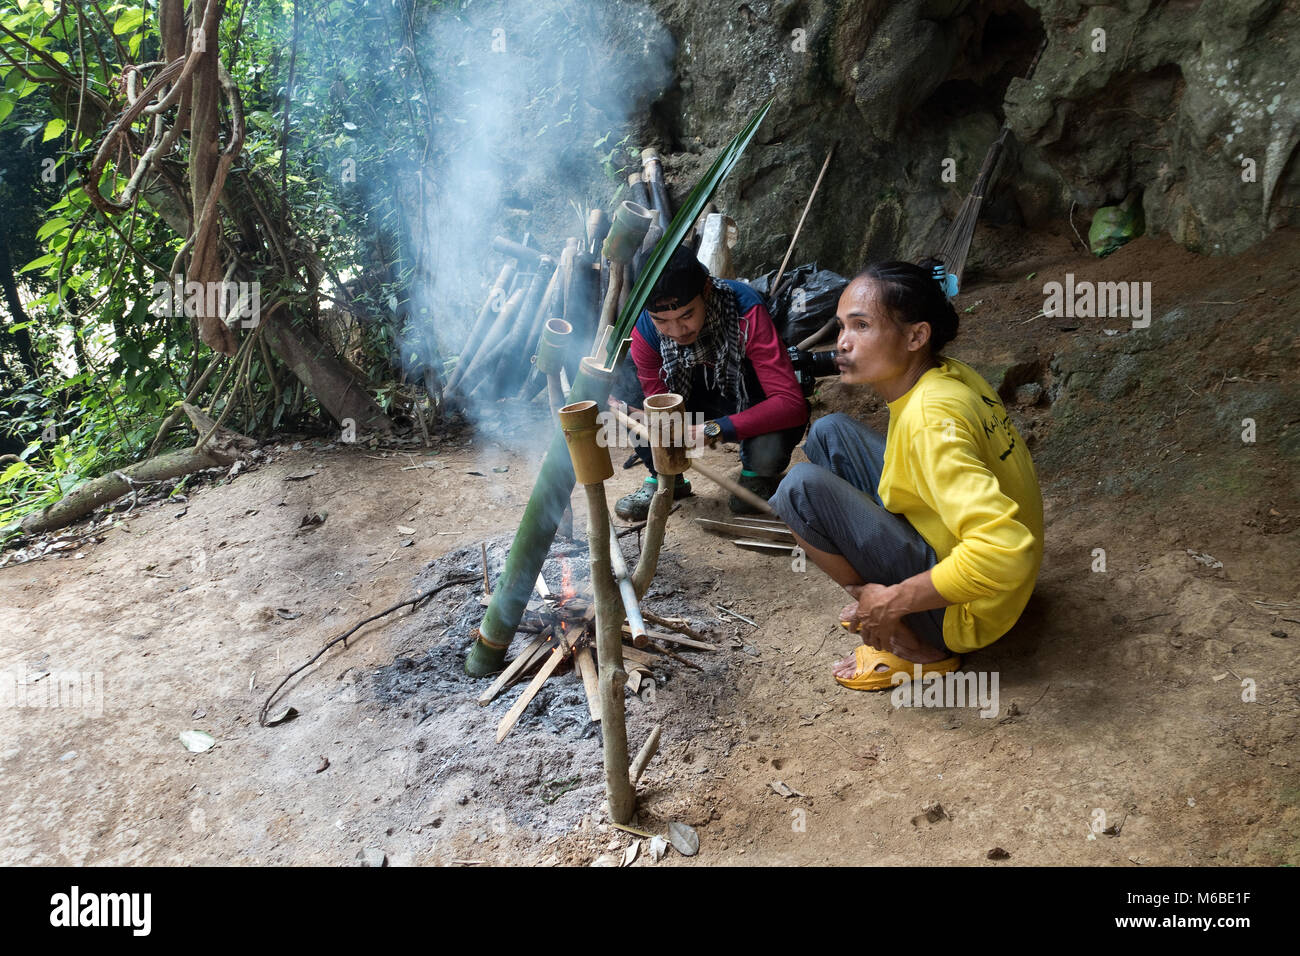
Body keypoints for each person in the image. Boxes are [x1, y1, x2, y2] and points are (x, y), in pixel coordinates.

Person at [769, 260, 1044, 690]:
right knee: (829, 432)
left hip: (974, 611)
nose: (842, 343)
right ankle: (884, 603)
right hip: (999, 585)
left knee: (798, 489)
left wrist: (891, 599)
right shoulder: (948, 375)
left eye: (861, 326)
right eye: (841, 326)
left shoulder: (929, 419)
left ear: (917, 335)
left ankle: (915, 641)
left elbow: (1005, 552)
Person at [612, 245, 809, 521]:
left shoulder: (746, 310)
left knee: (782, 403)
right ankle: (667, 477)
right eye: (662, 320)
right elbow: (657, 404)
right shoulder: (645, 329)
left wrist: (713, 430)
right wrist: (637, 415)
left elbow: (791, 405)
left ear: (706, 290)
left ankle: (757, 474)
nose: (677, 331)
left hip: (741, 398)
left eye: (687, 315)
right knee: (623, 387)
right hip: (690, 400)